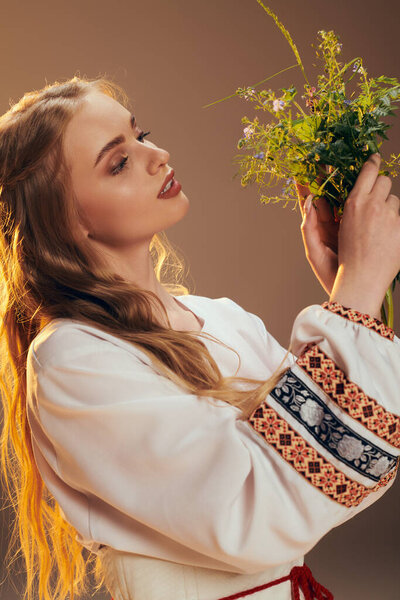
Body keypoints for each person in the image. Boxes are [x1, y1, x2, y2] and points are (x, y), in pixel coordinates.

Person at [0, 75, 399, 600]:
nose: (158, 155)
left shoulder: (222, 318)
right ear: (67, 223)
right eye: (118, 162)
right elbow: (256, 512)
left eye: (142, 135)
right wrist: (353, 302)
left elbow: (352, 470)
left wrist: (354, 306)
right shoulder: (71, 359)